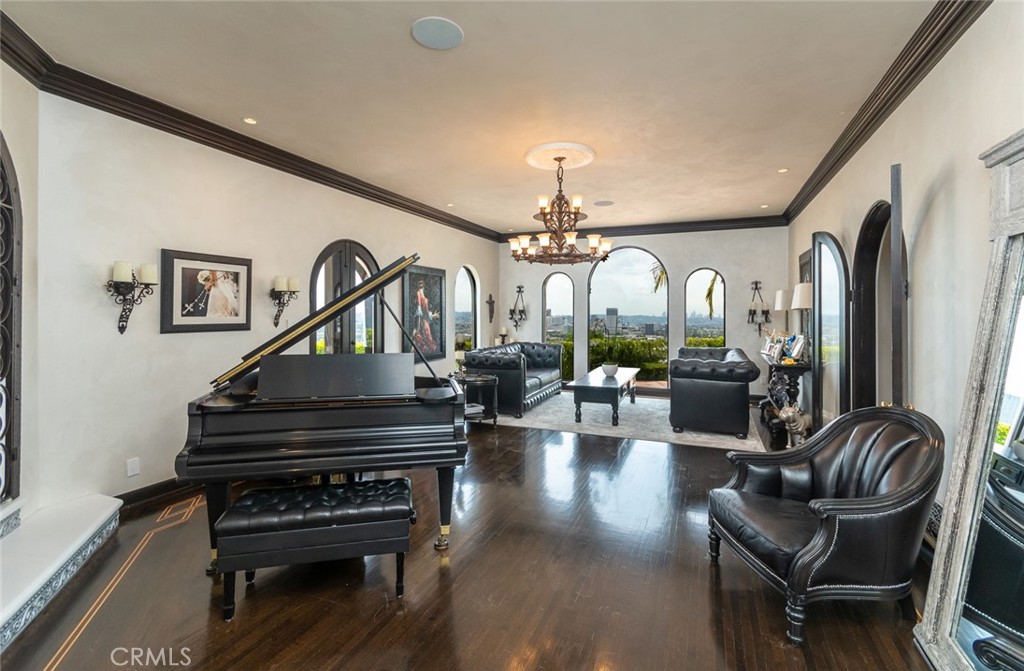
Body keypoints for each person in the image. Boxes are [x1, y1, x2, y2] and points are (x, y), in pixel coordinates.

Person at [413, 278, 437, 353]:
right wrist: (418, 326)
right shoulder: (418, 293)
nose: (420, 284)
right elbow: (419, 310)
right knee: (425, 339)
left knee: (428, 339)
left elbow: (425, 312)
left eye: (421, 282)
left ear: (424, 284)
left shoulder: (423, 294)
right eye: (419, 283)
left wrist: (431, 316)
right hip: (422, 322)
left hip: (425, 321)